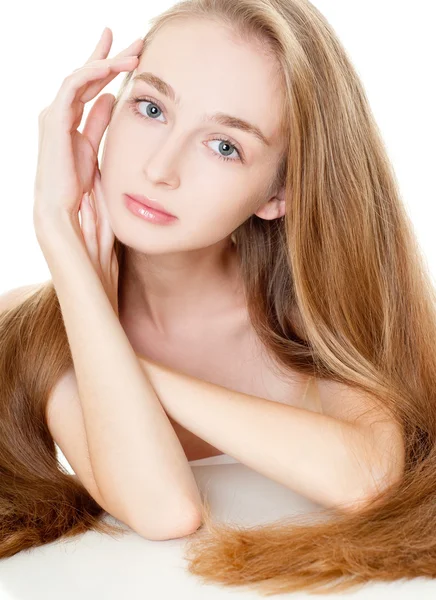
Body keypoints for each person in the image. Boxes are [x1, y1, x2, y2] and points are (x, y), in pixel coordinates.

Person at [0, 0, 435, 594]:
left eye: (224, 145)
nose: (160, 168)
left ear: (278, 192)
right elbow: (162, 510)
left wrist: (120, 359)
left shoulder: (302, 321)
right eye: (150, 108)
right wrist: (55, 227)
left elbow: (369, 475)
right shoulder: (41, 326)